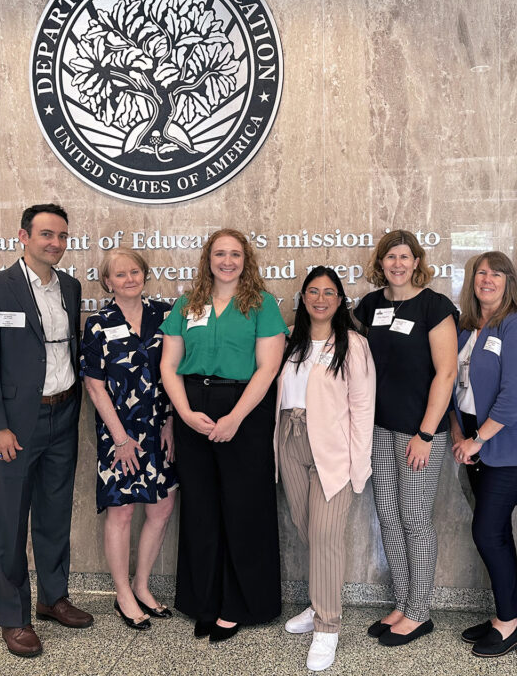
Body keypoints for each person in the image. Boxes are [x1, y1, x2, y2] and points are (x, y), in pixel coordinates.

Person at [0, 204, 93, 658]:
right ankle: (14, 617)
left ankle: (53, 597)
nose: (55, 243)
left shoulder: (71, 288)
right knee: (11, 520)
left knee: (55, 513)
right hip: (17, 424)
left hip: (63, 415)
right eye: (46, 234)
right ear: (23, 236)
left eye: (61, 236)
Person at [159, 229, 288, 643]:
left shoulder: (262, 304)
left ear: (245, 259)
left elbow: (268, 368)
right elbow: (169, 364)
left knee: (243, 507)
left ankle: (240, 603)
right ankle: (205, 601)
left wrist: (234, 417)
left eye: (235, 254)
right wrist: (184, 414)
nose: (227, 261)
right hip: (193, 408)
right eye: (220, 253)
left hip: (244, 410)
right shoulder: (187, 303)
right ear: (207, 258)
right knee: (200, 507)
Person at [353, 230, 458, 647]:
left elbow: (446, 373)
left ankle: (420, 612)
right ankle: (402, 602)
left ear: (417, 262)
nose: (398, 264)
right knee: (390, 518)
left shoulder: (435, 306)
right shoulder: (370, 305)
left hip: (420, 432)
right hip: (378, 427)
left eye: (405, 256)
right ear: (381, 263)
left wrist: (426, 433)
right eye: (390, 257)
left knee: (414, 517)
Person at [276, 267, 376, 671]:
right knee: (307, 530)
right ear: (303, 298)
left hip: (331, 452)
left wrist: (358, 464)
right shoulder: (290, 341)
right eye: (313, 292)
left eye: (329, 292)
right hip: (290, 442)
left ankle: (328, 628)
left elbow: (363, 407)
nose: (320, 299)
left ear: (340, 300)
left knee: (326, 536)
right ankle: (318, 605)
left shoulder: (352, 344)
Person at [449, 251, 517, 658]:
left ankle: (511, 624)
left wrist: (478, 439)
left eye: (496, 273)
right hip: (476, 444)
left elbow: (513, 395)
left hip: (515, 447)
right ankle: (506, 616)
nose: (486, 279)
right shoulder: (465, 328)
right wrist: (460, 435)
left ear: (509, 282)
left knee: (487, 531)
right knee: (497, 532)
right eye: (480, 273)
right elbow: (455, 387)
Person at [80, 249, 177, 630]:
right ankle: (122, 593)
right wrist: (120, 438)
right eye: (120, 275)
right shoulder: (99, 323)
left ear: (145, 274)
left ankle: (142, 585)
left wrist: (170, 422)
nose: (129, 278)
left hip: (160, 429)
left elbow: (175, 372)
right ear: (108, 282)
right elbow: (95, 385)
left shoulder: (165, 315)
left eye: (135, 271)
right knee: (122, 511)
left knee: (162, 509)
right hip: (119, 434)